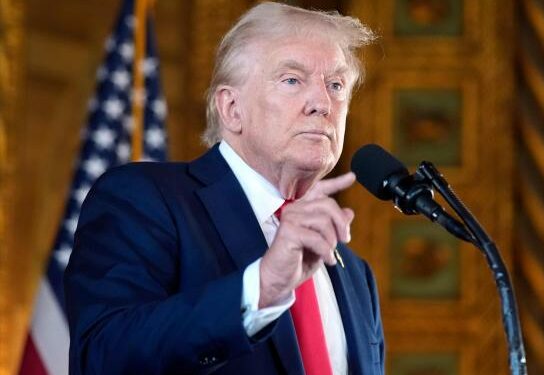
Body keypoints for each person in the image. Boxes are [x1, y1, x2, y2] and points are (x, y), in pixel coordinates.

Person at [65, 2, 384, 374]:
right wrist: (261, 289)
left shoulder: (354, 273)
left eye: (336, 85)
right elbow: (103, 356)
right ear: (231, 108)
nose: (322, 103)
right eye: (292, 80)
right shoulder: (144, 199)